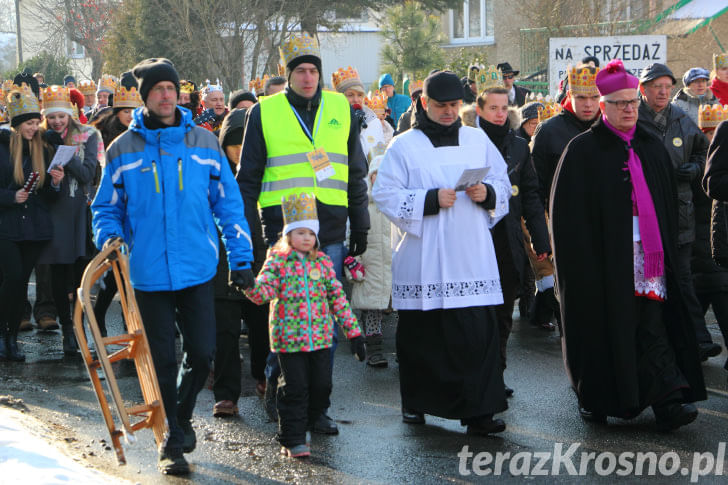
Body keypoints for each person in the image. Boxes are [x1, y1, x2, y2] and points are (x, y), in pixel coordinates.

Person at [91, 58, 255, 475]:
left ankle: (179, 419)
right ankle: (170, 442)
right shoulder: (122, 149)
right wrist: (110, 240)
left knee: (202, 353)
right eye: (158, 90)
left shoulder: (203, 141)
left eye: (171, 88)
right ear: (145, 96)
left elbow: (229, 205)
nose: (166, 96)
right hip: (146, 273)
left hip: (197, 267)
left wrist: (241, 259)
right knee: (162, 359)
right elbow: (105, 209)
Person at [551, 58, 706, 429]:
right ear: (603, 107)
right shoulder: (582, 152)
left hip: (649, 256)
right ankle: (598, 397)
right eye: (619, 103)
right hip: (602, 261)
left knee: (653, 323)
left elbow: (667, 203)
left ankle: (667, 399)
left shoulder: (652, 146)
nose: (628, 109)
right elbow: (567, 219)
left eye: (632, 102)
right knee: (607, 326)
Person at [237, 33, 370, 435]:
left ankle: (317, 408)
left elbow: (355, 171)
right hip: (283, 232)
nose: (308, 77)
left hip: (328, 229)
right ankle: (282, 392)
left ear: (321, 74)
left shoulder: (340, 108)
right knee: (286, 317)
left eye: (314, 70)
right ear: (288, 74)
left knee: (323, 321)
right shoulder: (265, 111)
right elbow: (248, 178)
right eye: (300, 71)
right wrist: (248, 234)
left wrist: (359, 221)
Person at [372, 70, 511, 434]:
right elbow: (384, 195)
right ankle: (417, 403)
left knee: (477, 334)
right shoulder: (404, 145)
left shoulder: (476, 138)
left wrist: (489, 194)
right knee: (424, 336)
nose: (449, 112)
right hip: (425, 256)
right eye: (440, 106)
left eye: (454, 105)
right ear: (423, 104)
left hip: (470, 254)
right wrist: (429, 200)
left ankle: (480, 411)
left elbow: (503, 182)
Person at [242, 193, 365, 458]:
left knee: (321, 386)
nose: (307, 238)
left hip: (320, 339)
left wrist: (354, 333)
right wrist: (247, 284)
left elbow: (338, 299)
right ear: (288, 235)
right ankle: (293, 437)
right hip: (289, 341)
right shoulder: (277, 261)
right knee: (295, 388)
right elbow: (262, 293)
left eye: (311, 233)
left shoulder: (321, 262)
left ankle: (310, 421)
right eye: (300, 232)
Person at [637, 63, 718, 361]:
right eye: (655, 86)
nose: (662, 91)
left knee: (683, 279)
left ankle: (698, 340)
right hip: (647, 219)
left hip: (680, 215)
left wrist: (695, 167)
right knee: (653, 280)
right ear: (643, 89)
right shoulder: (635, 121)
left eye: (666, 86)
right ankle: (657, 342)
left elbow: (703, 152)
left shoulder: (682, 119)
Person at [475, 80, 550, 395]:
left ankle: (496, 376)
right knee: (478, 317)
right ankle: (479, 378)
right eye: (492, 107)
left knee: (504, 313)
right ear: (479, 109)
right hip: (474, 243)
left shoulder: (519, 146)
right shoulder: (466, 143)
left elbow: (530, 196)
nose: (499, 113)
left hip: (507, 241)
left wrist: (539, 238)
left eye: (504, 108)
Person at [211, 107, 270, 417]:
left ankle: (263, 376)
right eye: (235, 144)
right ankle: (226, 394)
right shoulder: (215, 175)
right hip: (222, 266)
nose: (241, 151)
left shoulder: (265, 173)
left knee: (262, 328)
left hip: (261, 264)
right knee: (225, 334)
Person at [0, 87, 65, 361]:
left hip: (35, 228)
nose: (34, 127)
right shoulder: (3, 150)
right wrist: (10, 196)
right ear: (17, 125)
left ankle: (12, 339)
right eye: (29, 123)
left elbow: (49, 197)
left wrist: (55, 183)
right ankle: (3, 335)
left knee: (21, 282)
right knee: (12, 279)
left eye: (35, 122)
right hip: (7, 226)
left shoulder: (44, 147)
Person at [38, 85, 102, 355]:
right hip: (53, 212)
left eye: (61, 116)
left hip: (79, 212)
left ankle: (79, 329)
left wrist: (63, 150)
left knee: (79, 276)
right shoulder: (40, 137)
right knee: (58, 273)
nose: (57, 121)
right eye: (52, 117)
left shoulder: (88, 135)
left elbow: (88, 173)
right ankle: (67, 329)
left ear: (71, 114)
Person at [532, 64, 600, 207]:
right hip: (562, 219)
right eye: (581, 97)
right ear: (569, 95)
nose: (588, 104)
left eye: (594, 97)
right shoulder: (548, 131)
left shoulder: (609, 129)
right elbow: (535, 188)